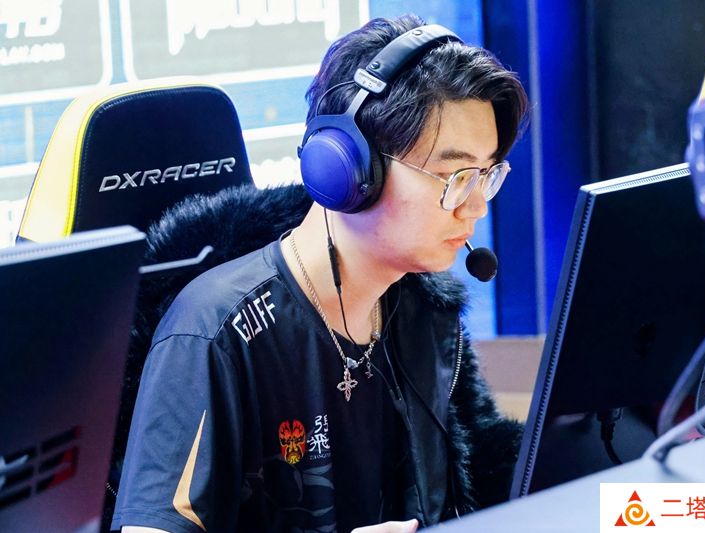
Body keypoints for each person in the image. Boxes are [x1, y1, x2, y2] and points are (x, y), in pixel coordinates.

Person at [112, 13, 529, 533]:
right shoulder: (213, 333)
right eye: (453, 176)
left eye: (485, 175)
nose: (476, 206)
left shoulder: (424, 311)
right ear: (346, 169)